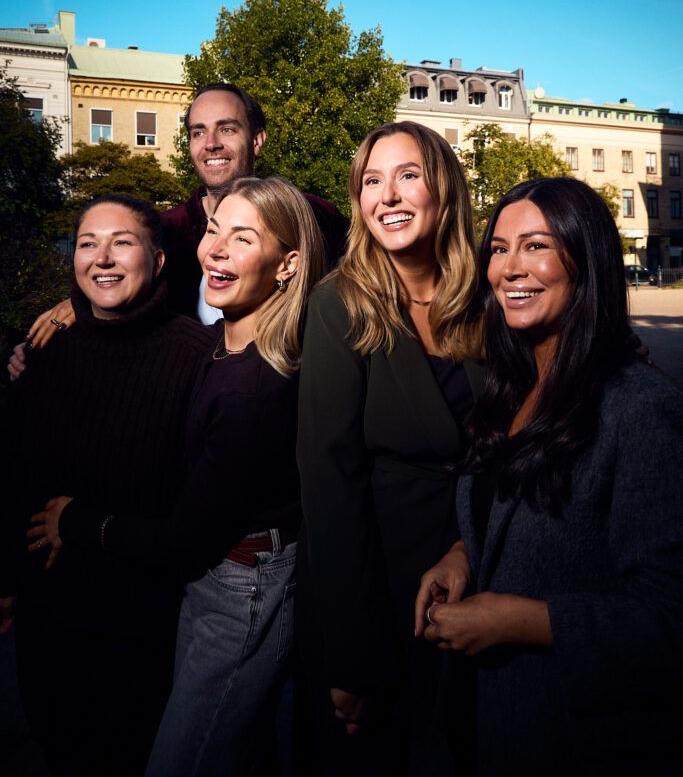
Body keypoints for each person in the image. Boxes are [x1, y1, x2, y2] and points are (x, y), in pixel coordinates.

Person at [27, 176, 325, 777]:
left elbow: (185, 538)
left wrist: (76, 522)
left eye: (243, 238)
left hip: (243, 586)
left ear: (288, 264)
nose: (215, 249)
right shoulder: (219, 343)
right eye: (215, 230)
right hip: (211, 582)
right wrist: (77, 309)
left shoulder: (255, 389)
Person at [416, 177, 683, 777]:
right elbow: (516, 508)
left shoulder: (638, 409)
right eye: (499, 248)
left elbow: (670, 622)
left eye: (536, 245)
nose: (510, 268)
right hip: (490, 729)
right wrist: (463, 553)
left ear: (584, 260)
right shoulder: (508, 389)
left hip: (578, 740)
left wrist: (518, 620)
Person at [0, 195, 213, 776]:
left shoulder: (201, 358)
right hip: (51, 627)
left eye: (122, 241)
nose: (103, 257)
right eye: (88, 243)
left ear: (159, 260)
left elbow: (199, 514)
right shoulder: (43, 354)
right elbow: (15, 475)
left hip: (147, 630)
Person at [295, 121, 484, 775]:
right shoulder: (338, 304)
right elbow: (327, 483)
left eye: (408, 175)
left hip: (483, 566)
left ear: (443, 191)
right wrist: (355, 654)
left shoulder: (486, 298)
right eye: (371, 181)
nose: (388, 195)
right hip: (379, 585)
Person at [10, 82, 346, 358]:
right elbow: (119, 284)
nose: (211, 144)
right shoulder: (166, 230)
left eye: (226, 129)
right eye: (198, 133)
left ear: (256, 140)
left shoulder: (312, 217)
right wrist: (81, 305)